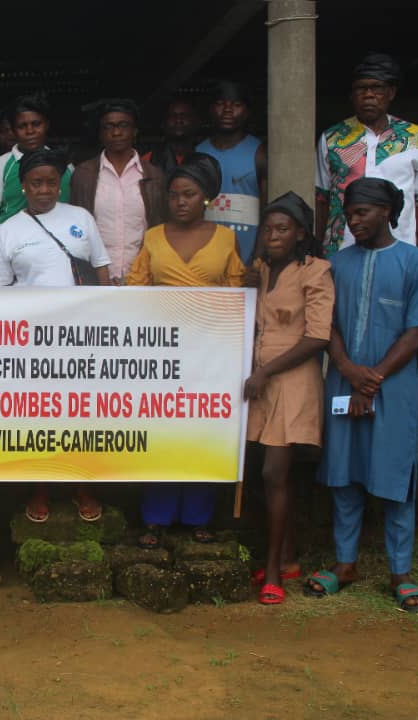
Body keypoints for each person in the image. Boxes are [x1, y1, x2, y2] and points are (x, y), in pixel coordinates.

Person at [305, 178, 418, 614]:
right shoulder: (336, 265)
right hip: (344, 382)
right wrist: (347, 369)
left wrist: (374, 377)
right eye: (349, 214)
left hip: (393, 388)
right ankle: (345, 564)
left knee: (395, 476)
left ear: (386, 212)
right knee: (343, 473)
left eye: (361, 213)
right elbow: (327, 324)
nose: (353, 221)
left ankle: (401, 572)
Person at [126, 152, 245, 546]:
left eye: (189, 194)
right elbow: (136, 290)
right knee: (162, 430)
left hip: (210, 350)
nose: (180, 202)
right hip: (161, 351)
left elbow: (236, 293)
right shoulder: (153, 237)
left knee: (202, 430)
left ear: (206, 198)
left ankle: (198, 516)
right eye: (174, 195)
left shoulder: (226, 238)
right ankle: (155, 517)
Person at [0, 148, 110, 524]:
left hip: (83, 338)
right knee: (38, 418)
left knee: (83, 416)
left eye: (51, 183)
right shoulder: (7, 232)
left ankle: (83, 487)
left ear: (61, 184)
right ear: (23, 186)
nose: (44, 190)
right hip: (31, 343)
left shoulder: (81, 218)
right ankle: (39, 488)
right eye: (36, 183)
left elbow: (101, 270)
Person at [242, 192, 333, 605]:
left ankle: (275, 572)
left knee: (273, 474)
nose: (273, 236)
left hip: (291, 380)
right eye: (268, 229)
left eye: (282, 229)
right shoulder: (260, 270)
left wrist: (265, 372)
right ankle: (288, 558)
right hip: (260, 381)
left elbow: (317, 337)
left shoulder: (315, 271)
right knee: (262, 473)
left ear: (300, 233)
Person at [315, 53, 418, 255]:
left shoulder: (414, 137)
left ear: (391, 93)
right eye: (361, 88)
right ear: (352, 95)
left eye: (377, 88)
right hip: (341, 250)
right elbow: (321, 199)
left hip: (400, 250)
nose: (368, 95)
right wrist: (317, 253)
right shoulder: (332, 138)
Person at [0, 93, 74, 283]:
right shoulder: (0, 166)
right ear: (13, 130)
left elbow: (77, 218)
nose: (30, 131)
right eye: (22, 126)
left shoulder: (65, 167)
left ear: (47, 125)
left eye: (36, 124)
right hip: (13, 263)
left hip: (57, 263)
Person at [70, 98, 166, 284]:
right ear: (100, 133)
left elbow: (160, 229)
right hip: (95, 278)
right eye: (108, 127)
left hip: (142, 277)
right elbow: (75, 230)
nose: (116, 132)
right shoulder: (84, 174)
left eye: (123, 125)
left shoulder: (154, 176)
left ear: (135, 131)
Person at [195, 81, 267, 264]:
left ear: (247, 111)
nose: (227, 110)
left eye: (236, 104)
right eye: (220, 104)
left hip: (247, 260)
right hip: (205, 262)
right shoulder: (198, 153)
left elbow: (267, 212)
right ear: (210, 109)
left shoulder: (260, 153)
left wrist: (257, 260)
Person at [142, 97, 200, 175]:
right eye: (172, 116)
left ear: (196, 122)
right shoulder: (149, 159)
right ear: (163, 124)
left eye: (184, 115)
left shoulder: (205, 158)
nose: (178, 120)